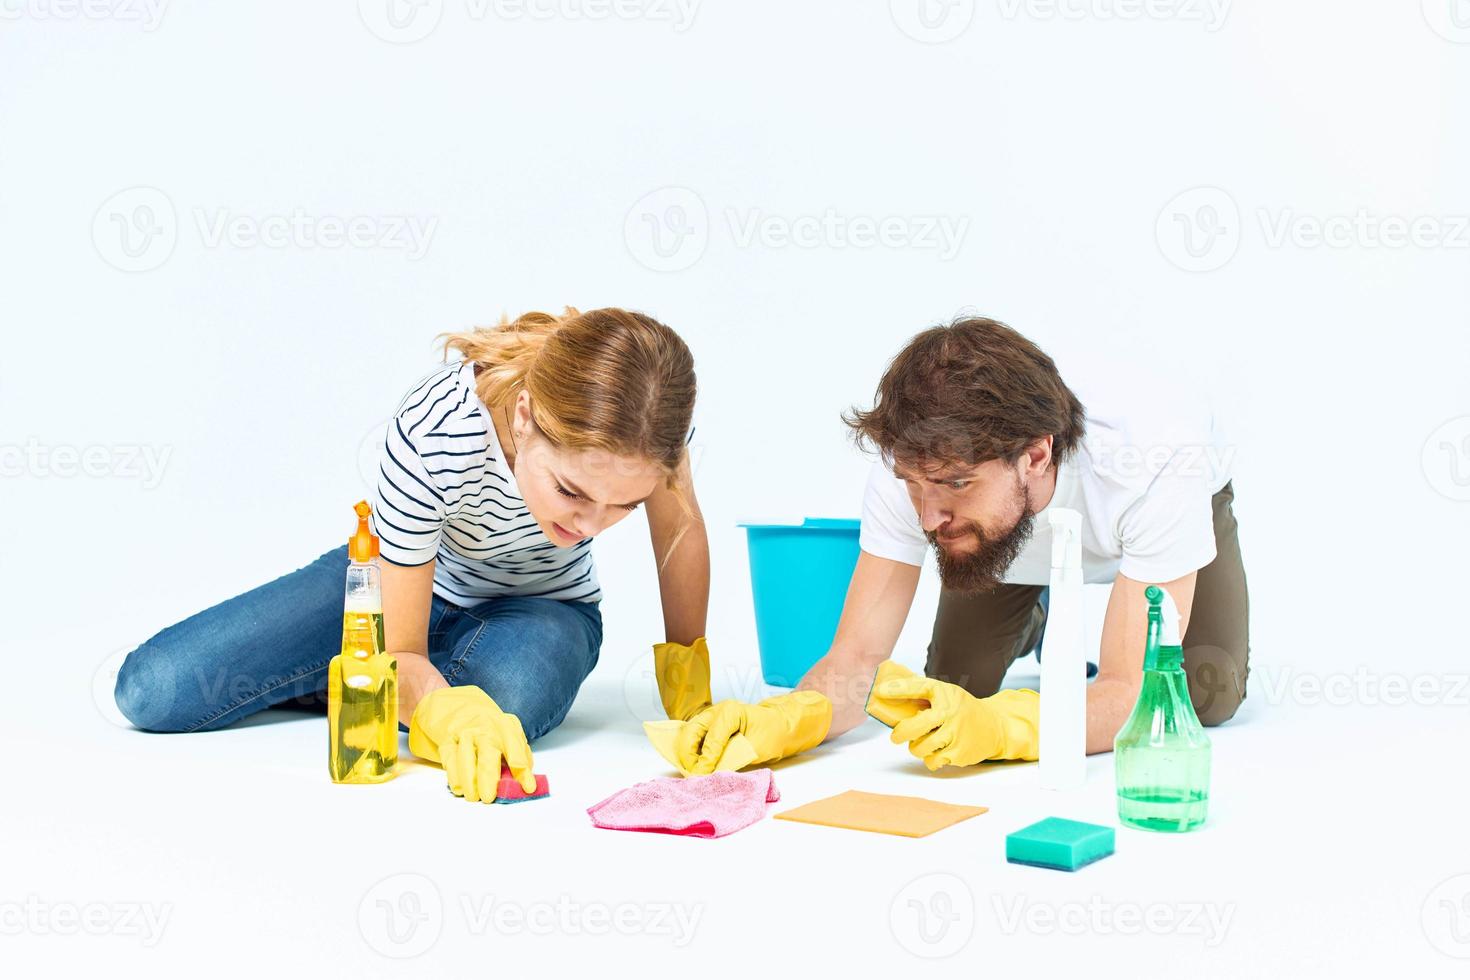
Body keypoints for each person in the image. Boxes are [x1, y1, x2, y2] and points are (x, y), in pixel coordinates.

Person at [115, 306, 711, 802]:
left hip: (541, 611)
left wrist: (690, 686)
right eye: (571, 492)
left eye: (621, 507)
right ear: (526, 417)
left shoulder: (647, 431)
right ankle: (374, 685)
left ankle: (366, 687)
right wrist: (409, 677)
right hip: (399, 583)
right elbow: (401, 648)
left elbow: (679, 537)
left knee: (506, 701)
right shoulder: (436, 427)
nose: (589, 527)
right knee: (153, 689)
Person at [674, 315, 1247, 774]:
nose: (928, 518)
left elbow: (1126, 691)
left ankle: (1048, 612)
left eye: (955, 483)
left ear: (1037, 455)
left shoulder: (1159, 455)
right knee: (955, 689)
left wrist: (1006, 730)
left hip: (1161, 508)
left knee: (1203, 691)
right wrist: (785, 720)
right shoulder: (917, 470)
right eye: (914, 485)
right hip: (1006, 531)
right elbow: (854, 660)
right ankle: (1037, 618)